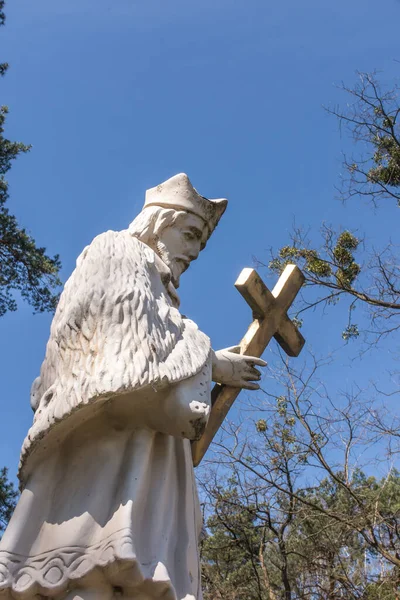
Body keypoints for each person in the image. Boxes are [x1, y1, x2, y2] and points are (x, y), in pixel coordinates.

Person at [0, 174, 266, 600]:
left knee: (138, 571)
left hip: (150, 439)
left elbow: (161, 341)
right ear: (161, 222)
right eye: (191, 234)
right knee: (90, 565)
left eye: (201, 242)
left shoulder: (159, 285)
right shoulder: (118, 249)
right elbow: (125, 333)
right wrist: (213, 362)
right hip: (109, 434)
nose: (195, 251)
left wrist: (207, 361)